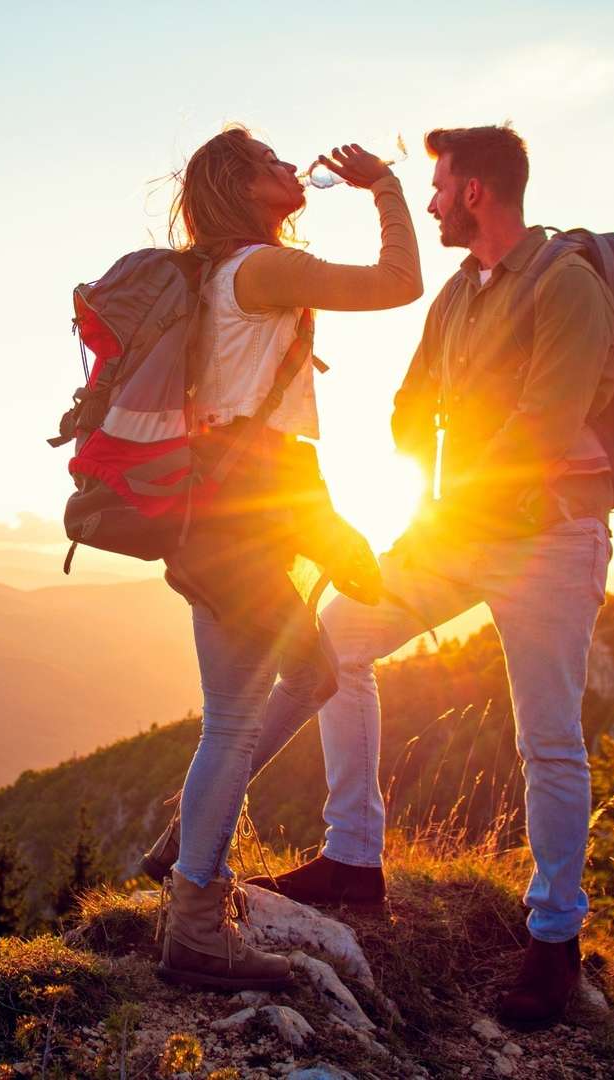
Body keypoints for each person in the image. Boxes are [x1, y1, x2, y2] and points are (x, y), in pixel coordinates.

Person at [246, 124, 614, 1030]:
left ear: (479, 193)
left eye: (441, 187)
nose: (433, 201)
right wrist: (429, 480)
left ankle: (554, 937)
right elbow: (412, 402)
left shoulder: (568, 285)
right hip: (455, 532)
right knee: (334, 645)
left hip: (552, 540)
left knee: (549, 740)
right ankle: (354, 855)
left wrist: (460, 502)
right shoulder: (458, 292)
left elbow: (541, 425)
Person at [153, 126, 423, 992]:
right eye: (269, 160)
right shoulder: (257, 270)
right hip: (237, 521)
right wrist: (384, 186)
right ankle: (194, 921)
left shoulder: (214, 277)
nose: (288, 165)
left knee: (304, 677)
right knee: (236, 720)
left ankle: (185, 854)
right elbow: (399, 284)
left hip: (220, 513)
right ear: (241, 186)